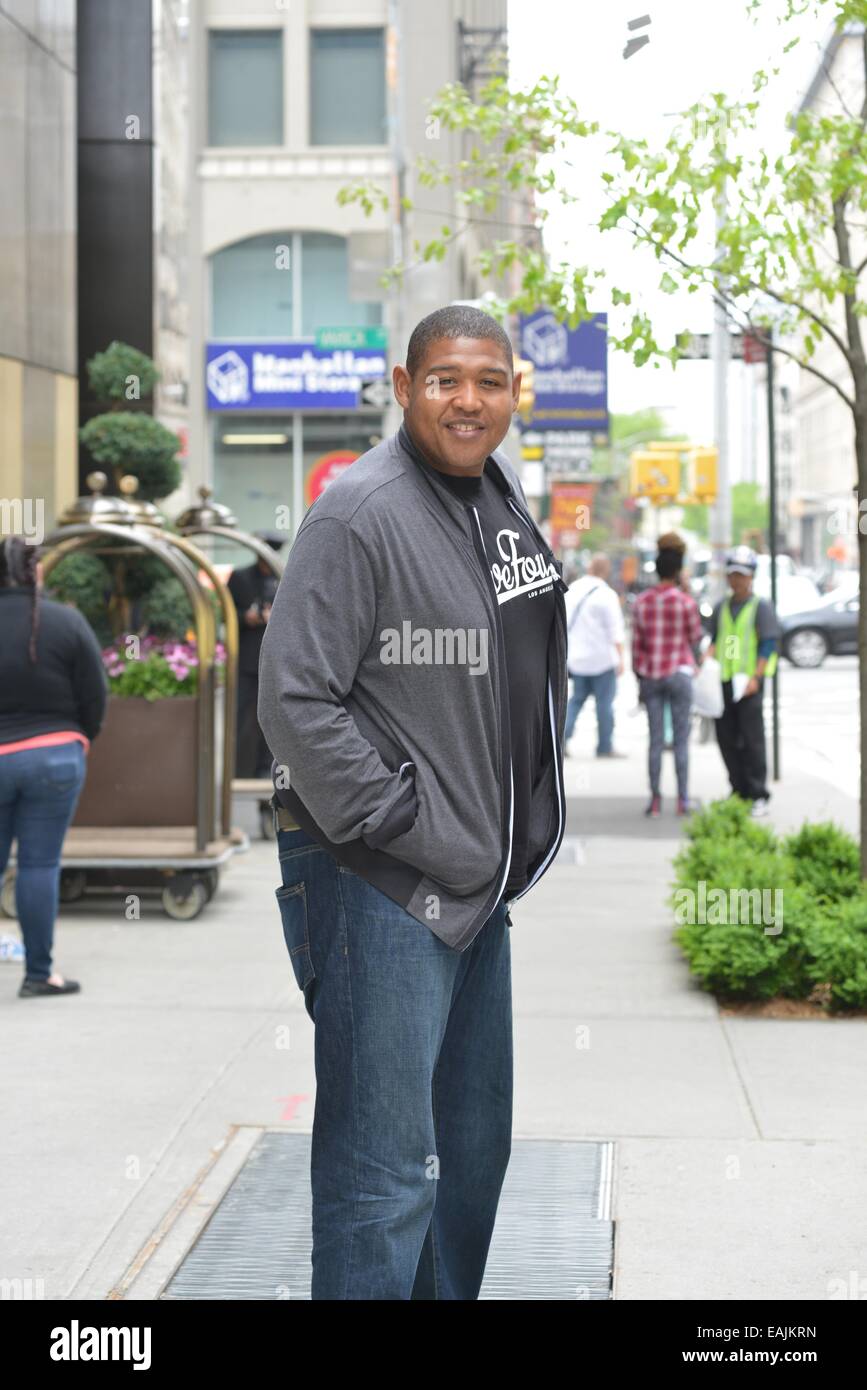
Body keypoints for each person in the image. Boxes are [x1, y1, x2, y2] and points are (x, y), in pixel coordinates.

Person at [257, 304, 569, 1300]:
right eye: (444, 380)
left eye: (488, 379)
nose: (467, 399)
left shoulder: (497, 498)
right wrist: (403, 820)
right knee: (381, 1180)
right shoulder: (359, 511)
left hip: (477, 886)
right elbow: (294, 700)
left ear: (513, 392)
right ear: (405, 389)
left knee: (468, 1162)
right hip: (380, 884)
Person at [0, 536, 107, 996]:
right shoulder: (66, 621)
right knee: (39, 865)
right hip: (55, 756)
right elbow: (94, 695)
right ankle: (39, 974)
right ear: (37, 572)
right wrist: (81, 738)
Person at [631, 532, 703, 817]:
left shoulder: (642, 602)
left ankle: (655, 800)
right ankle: (683, 800)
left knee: (656, 740)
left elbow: (637, 648)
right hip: (680, 673)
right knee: (682, 740)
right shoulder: (686, 603)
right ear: (677, 571)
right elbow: (695, 638)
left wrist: (641, 677)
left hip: (652, 675)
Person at [707, 545, 780, 818]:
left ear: (751, 577)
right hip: (724, 683)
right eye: (733, 574)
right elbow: (714, 641)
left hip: (749, 685)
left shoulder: (761, 607)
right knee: (726, 740)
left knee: (752, 742)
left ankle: (758, 793)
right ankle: (738, 790)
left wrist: (757, 677)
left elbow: (768, 644)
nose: (736, 580)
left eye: (742, 575)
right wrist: (705, 665)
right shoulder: (721, 607)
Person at [227, 533, 284, 793]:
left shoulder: (282, 578)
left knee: (270, 718)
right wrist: (245, 617)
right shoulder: (240, 578)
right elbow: (226, 614)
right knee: (239, 715)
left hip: (272, 661)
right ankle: (236, 767)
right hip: (246, 659)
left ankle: (265, 767)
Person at [563, 553, 626, 757]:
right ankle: (604, 747)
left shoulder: (573, 590)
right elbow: (615, 631)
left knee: (576, 700)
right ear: (606, 570)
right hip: (602, 660)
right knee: (604, 704)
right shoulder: (607, 595)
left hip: (577, 659)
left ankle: (562, 741)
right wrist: (621, 659)